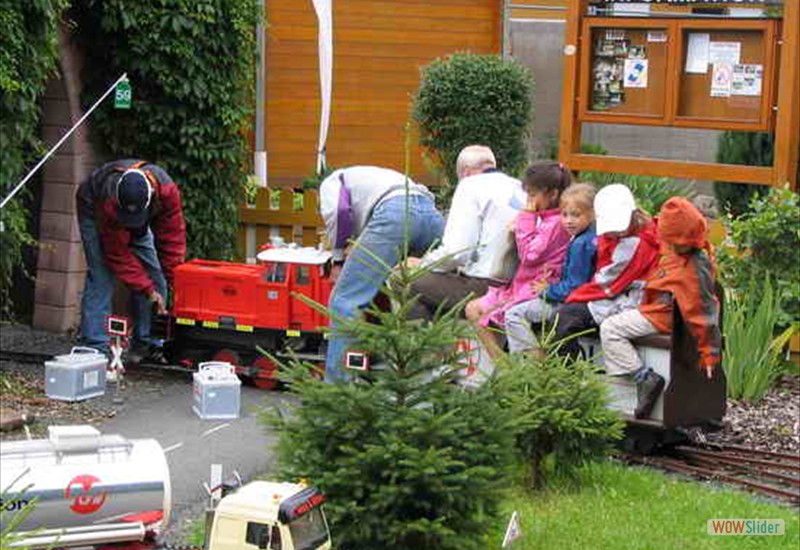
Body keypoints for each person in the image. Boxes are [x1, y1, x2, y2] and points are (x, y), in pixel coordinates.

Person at [319, 166, 444, 382]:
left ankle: (336, 388)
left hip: (395, 214)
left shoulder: (331, 182)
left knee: (345, 301)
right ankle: (424, 376)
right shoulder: (373, 177)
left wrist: (337, 259)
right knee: (418, 295)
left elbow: (338, 213)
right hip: (432, 216)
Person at [599, 197, 721, 419]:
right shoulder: (684, 249)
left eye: (673, 240)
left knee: (610, 328)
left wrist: (709, 353)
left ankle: (644, 378)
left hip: (662, 315)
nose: (669, 244)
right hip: (657, 307)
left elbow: (703, 313)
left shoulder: (693, 268)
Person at [76, 159, 186, 359]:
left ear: (151, 195)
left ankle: (149, 343)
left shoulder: (167, 191)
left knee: (155, 277)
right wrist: (147, 289)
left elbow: (171, 240)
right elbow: (117, 256)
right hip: (94, 211)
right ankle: (95, 346)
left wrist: (175, 282)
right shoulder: (109, 199)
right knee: (102, 277)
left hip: (136, 222)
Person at [464, 162, 572, 356]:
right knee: (473, 309)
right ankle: (504, 367)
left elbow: (529, 255)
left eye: (532, 195)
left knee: (490, 312)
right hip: (521, 286)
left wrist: (525, 220)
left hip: (535, 289)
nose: (528, 201)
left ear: (553, 194)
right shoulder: (547, 220)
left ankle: (531, 368)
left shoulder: (554, 224)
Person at [406, 145, 527, 318]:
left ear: (465, 172)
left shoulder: (469, 185)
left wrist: (423, 264)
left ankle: (424, 343)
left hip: (487, 286)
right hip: (522, 284)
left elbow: (457, 253)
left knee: (404, 279)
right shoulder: (519, 186)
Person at [553, 183, 660, 359]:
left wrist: (574, 296)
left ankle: (565, 372)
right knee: (567, 314)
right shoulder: (632, 232)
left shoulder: (635, 244)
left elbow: (607, 283)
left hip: (629, 301)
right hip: (617, 295)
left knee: (566, 316)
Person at [505, 183, 598, 355]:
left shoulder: (580, 244)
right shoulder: (587, 237)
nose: (568, 221)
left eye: (576, 215)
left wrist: (547, 291)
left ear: (592, 213)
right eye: (564, 215)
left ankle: (534, 363)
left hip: (567, 303)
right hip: (576, 301)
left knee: (513, 314)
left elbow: (574, 286)